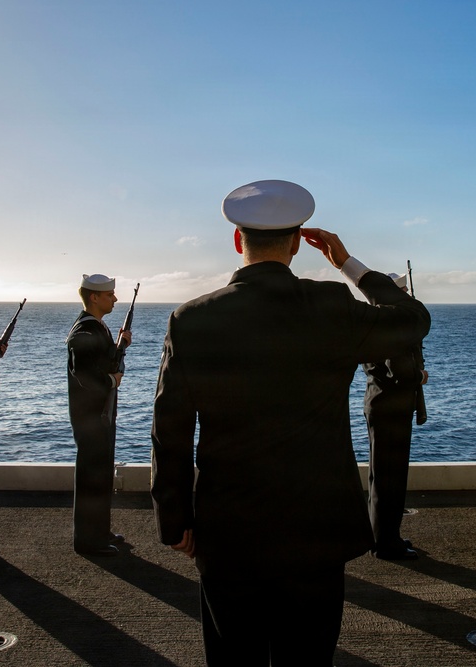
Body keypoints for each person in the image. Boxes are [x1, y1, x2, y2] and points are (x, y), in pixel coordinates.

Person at [151, 179, 431, 665]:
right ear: (298, 244)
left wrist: (173, 520)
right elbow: (413, 319)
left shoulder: (191, 319)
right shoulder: (332, 307)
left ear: (237, 240)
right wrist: (348, 264)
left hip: (228, 528)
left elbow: (169, 428)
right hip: (314, 530)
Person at [362, 272, 429, 560]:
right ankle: (387, 543)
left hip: (377, 402)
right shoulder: (393, 326)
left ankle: (380, 534)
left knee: (379, 476)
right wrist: (420, 375)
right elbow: (400, 370)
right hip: (392, 407)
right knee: (391, 478)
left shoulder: (372, 321)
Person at [67, 274, 131, 556]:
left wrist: (120, 347)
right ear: (94, 297)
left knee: (101, 474)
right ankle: (88, 540)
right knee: (91, 477)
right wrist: (111, 381)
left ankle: (99, 531)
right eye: (109, 295)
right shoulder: (84, 330)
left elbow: (101, 362)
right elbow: (84, 374)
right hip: (90, 416)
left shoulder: (96, 327)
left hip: (100, 415)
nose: (114, 299)